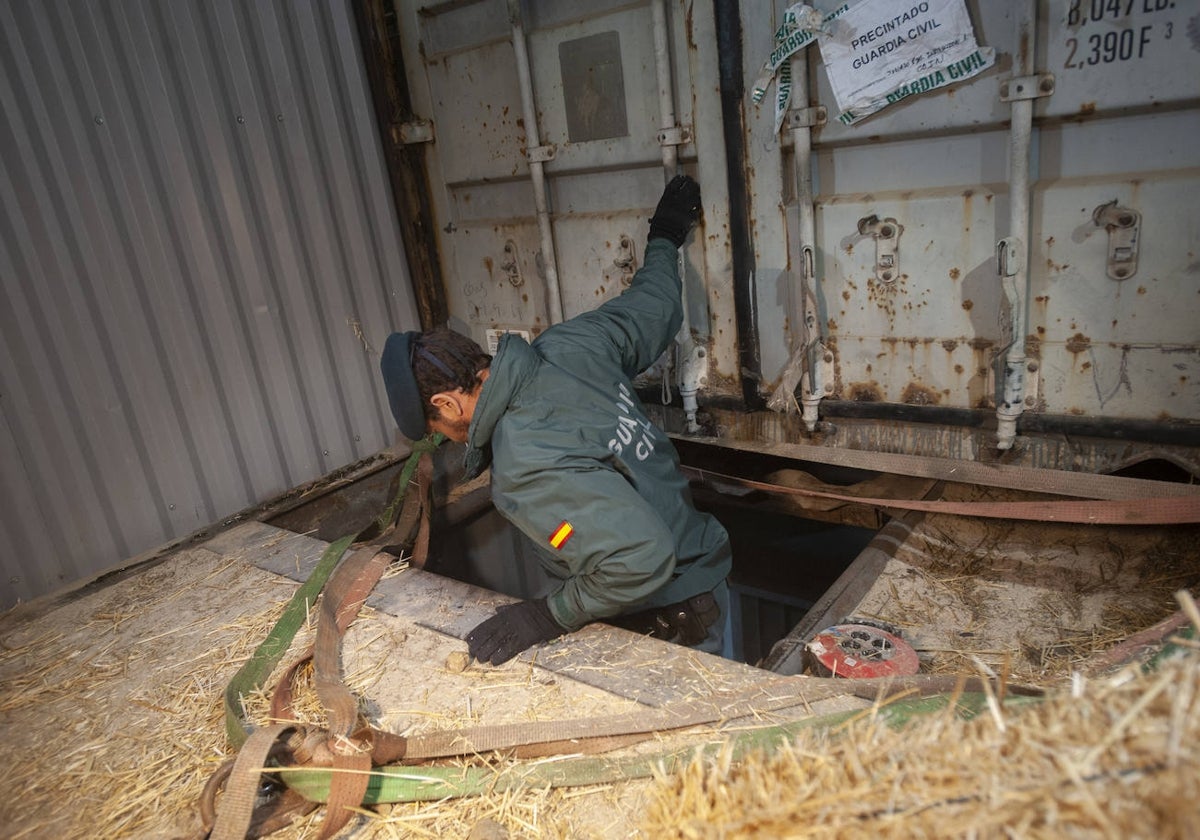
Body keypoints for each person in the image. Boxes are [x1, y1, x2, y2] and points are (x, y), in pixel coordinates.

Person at [380, 175, 732, 665]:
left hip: (669, 626)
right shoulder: (571, 343)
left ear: (445, 404)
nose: (444, 438)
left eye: (435, 428)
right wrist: (665, 235)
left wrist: (549, 614)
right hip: (711, 584)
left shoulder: (524, 465)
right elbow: (655, 306)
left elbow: (639, 560)